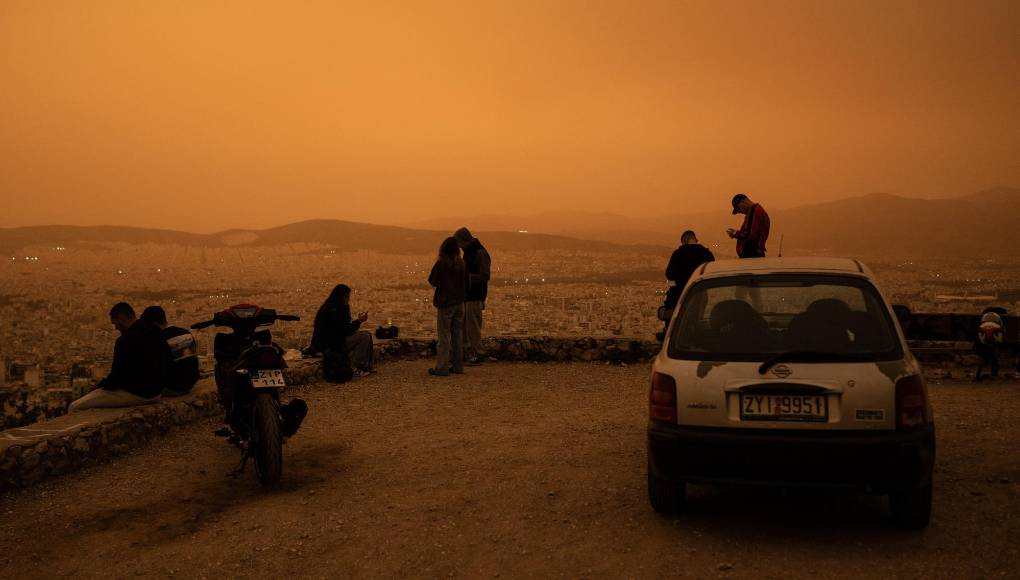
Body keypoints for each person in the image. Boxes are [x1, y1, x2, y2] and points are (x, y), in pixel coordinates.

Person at [68, 302, 165, 412]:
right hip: (156, 393)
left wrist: (100, 386)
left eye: (116, 323)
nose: (115, 327)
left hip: (138, 394)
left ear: (122, 318)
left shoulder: (124, 340)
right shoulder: (154, 333)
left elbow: (116, 377)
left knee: (74, 406)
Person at [658, 230, 715, 340]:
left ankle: (669, 335)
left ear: (683, 241)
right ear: (696, 240)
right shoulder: (706, 253)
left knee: (675, 317)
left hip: (680, 291)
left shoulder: (678, 253)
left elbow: (669, 274)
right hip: (700, 292)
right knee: (697, 317)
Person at [310, 284, 374, 380]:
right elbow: (344, 330)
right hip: (330, 344)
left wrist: (357, 321)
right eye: (346, 297)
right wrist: (359, 321)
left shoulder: (340, 307)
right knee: (364, 337)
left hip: (337, 339)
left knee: (367, 334)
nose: (348, 299)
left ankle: (366, 366)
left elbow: (345, 327)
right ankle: (354, 367)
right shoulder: (331, 310)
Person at [428, 236, 469, 376]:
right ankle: (458, 366)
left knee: (444, 336)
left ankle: (442, 367)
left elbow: (432, 281)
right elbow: (467, 283)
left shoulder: (442, 263)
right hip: (460, 304)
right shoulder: (462, 263)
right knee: (458, 336)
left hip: (445, 303)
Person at [139, 305, 200, 397]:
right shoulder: (185, 332)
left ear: (154, 325)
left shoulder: (159, 339)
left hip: (172, 388)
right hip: (190, 384)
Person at [453, 227, 491, 365]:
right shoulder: (470, 252)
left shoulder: (480, 253)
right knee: (464, 326)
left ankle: (478, 353)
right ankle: (466, 353)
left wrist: (466, 277)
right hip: (467, 295)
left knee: (473, 327)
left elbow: (485, 276)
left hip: (475, 295)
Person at [726, 193, 771, 258]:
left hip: (751, 254)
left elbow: (750, 234)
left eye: (738, 209)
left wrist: (735, 233)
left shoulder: (754, 211)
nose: (739, 212)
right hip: (755, 253)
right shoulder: (757, 211)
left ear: (742, 202)